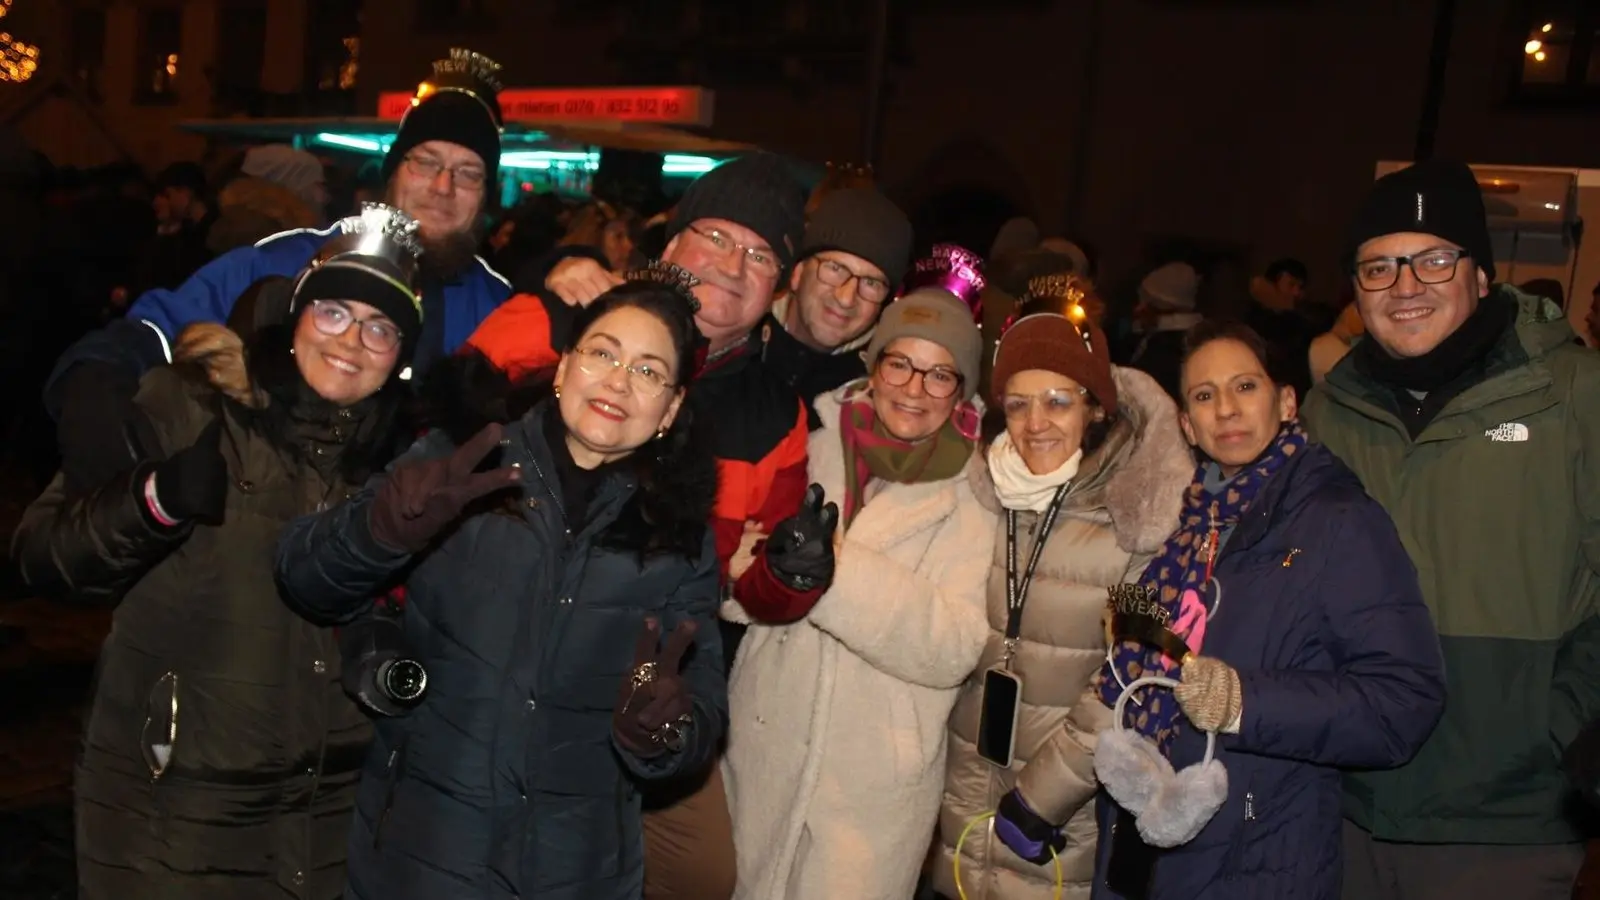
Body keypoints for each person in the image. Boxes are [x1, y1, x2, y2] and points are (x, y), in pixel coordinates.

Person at [10, 204, 425, 899]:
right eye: (333, 314)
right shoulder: (192, 406)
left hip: (327, 819)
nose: (352, 341)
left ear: (400, 358)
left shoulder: (399, 467)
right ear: (295, 317)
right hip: (176, 805)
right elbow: (44, 556)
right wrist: (154, 500)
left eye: (380, 328)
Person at [273, 266, 727, 900]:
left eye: (649, 372)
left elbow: (696, 699)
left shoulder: (678, 534)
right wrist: (378, 533)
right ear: (564, 366)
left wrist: (663, 730)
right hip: (421, 855)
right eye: (602, 353)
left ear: (670, 410)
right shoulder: (464, 462)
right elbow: (304, 580)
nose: (619, 381)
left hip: (578, 871)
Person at [458, 153, 814, 899]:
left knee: (702, 876)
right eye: (717, 237)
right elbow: (439, 448)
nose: (733, 266)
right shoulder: (562, 322)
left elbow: (753, 591)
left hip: (645, 680)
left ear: (777, 289)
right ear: (672, 243)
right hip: (500, 652)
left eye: (760, 256)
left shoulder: (774, 415)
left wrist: (791, 576)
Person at [1303, 159, 1600, 900]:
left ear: (1481, 274)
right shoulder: (1329, 414)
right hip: (1342, 809)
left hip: (1504, 823)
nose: (1405, 287)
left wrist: (1558, 727)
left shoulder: (1574, 398)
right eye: (1378, 267)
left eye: (1433, 259)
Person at [48, 48, 512, 496]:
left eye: (468, 173)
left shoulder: (499, 307)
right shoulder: (297, 260)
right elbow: (162, 326)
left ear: (485, 194)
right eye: (426, 161)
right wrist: (97, 377)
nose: (443, 186)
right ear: (394, 172)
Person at [1090, 321, 1446, 899]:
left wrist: (1246, 703)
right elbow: (1155, 643)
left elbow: (1403, 701)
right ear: (1187, 424)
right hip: (1145, 843)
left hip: (1258, 858)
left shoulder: (1337, 521)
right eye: (1205, 395)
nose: (1226, 409)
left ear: (1286, 402)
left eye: (1245, 387)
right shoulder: (1189, 523)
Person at [723, 254, 999, 900]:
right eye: (899, 363)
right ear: (873, 367)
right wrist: (769, 575)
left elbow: (955, 644)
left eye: (940, 375)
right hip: (762, 746)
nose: (914, 388)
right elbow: (737, 570)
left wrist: (833, 573)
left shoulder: (979, 492)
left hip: (872, 785)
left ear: (961, 390)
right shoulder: (811, 442)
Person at [933, 275, 1194, 900]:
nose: (1035, 424)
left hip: (1060, 825)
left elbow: (1136, 671)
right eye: (1018, 404)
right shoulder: (983, 496)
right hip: (963, 804)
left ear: (1095, 407)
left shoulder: (1135, 520)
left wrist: (1041, 799)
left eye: (1058, 401)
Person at [758, 186, 914, 427]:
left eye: (871, 283)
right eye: (835, 268)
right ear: (797, 273)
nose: (846, 298)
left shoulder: (882, 396)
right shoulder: (737, 340)